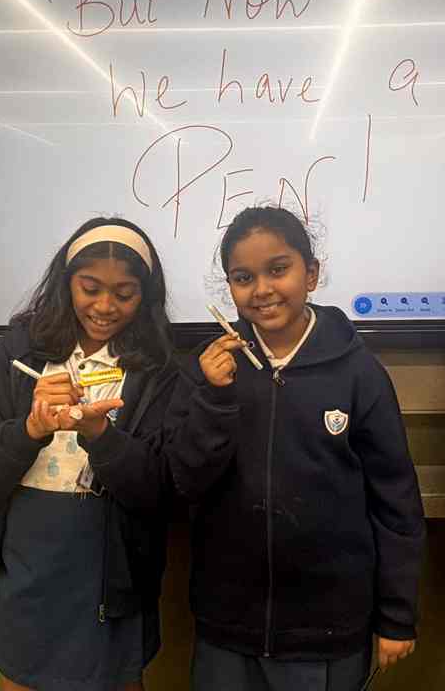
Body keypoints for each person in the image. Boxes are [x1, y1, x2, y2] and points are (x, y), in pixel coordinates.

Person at [173, 205, 425, 690]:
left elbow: (396, 501)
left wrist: (397, 615)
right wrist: (214, 399)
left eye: (278, 269)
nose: (262, 289)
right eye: (243, 277)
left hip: (327, 626)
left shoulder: (359, 373)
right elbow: (184, 477)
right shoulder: (209, 369)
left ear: (310, 274)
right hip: (228, 622)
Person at [0, 218, 181, 691]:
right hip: (30, 560)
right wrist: (30, 429)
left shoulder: (159, 368)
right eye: (90, 288)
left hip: (114, 565)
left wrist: (102, 437)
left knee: (116, 678)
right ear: (66, 283)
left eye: (124, 293)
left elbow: (161, 489)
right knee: (23, 677)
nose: (105, 306)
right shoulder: (19, 352)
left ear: (146, 295)